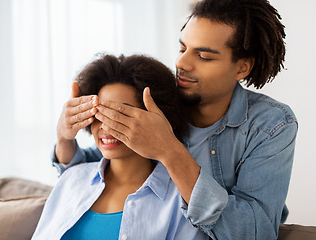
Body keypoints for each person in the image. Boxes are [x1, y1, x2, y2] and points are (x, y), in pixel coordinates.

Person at [52, 0, 298, 239]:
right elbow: (100, 166)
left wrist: (168, 150)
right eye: (182, 49)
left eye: (204, 56)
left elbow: (256, 232)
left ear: (242, 67)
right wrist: (64, 137)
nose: (181, 63)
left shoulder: (272, 124)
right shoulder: (160, 102)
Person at [33, 54, 208, 240]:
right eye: (99, 113)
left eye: (120, 115)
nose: (106, 126)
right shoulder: (72, 179)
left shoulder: (179, 201)